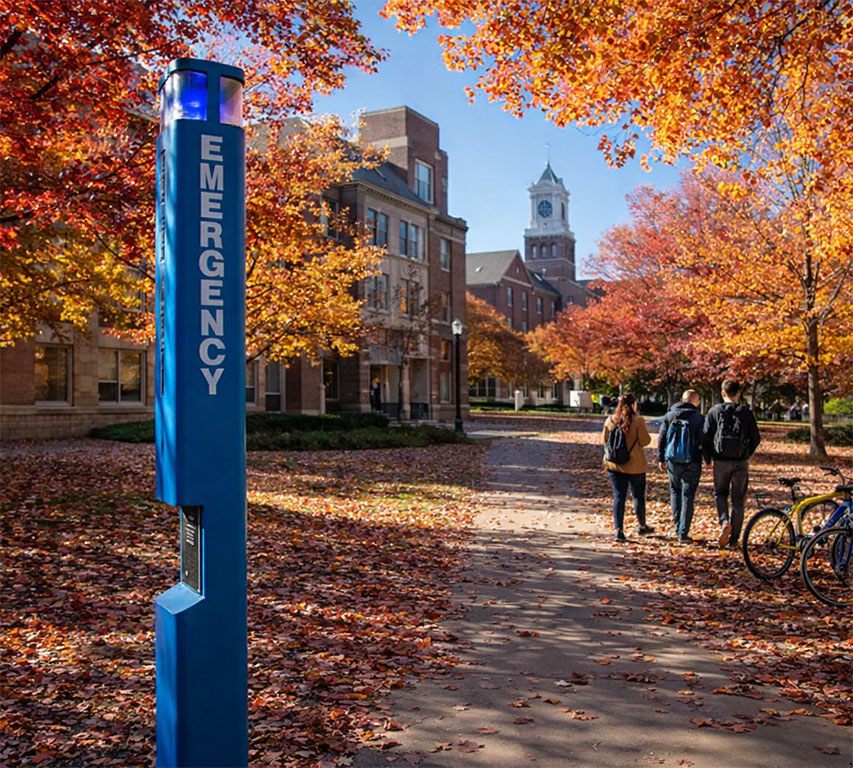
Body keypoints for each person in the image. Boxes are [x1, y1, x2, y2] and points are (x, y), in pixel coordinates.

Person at [702, 379, 761, 549]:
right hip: (740, 462)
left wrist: (708, 459)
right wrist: (746, 454)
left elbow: (705, 437)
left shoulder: (714, 411)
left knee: (720, 494)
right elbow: (756, 438)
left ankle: (724, 522)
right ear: (739, 393)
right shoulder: (746, 413)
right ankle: (734, 540)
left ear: (722, 393)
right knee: (738, 501)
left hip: (720, 461)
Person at [602, 393, 654, 542]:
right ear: (633, 404)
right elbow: (645, 441)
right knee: (638, 496)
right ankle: (642, 526)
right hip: (635, 466)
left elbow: (604, 441)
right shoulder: (638, 421)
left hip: (614, 465)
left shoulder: (610, 420)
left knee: (619, 496)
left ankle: (619, 530)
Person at [658, 389, 705, 543]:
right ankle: (683, 533)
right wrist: (708, 459)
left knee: (674, 491)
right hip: (692, 460)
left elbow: (662, 437)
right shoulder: (698, 418)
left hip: (672, 460)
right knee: (688, 495)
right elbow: (703, 441)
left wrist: (661, 458)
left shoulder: (670, 415)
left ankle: (677, 526)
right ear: (695, 401)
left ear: (682, 399)